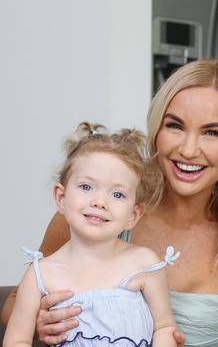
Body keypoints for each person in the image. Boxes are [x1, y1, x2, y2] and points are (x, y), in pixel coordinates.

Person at [2, 60, 218, 347]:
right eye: (175, 126)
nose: (188, 150)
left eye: (212, 132)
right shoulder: (96, 216)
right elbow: (15, 305)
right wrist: (40, 321)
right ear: (157, 132)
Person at [3, 123, 178, 347]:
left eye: (117, 194)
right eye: (86, 187)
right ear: (61, 197)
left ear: (133, 215)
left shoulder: (144, 264)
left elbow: (164, 327)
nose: (100, 201)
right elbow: (17, 341)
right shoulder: (41, 275)